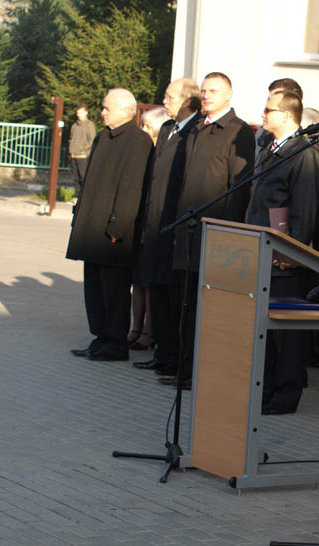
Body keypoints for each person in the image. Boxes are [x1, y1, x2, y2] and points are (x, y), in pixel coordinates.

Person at [167, 72, 255, 387]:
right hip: (187, 231)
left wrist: (226, 233)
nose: (206, 96)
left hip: (215, 235)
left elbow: (238, 188)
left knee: (207, 310)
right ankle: (184, 368)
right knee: (185, 304)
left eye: (213, 91)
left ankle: (202, 373)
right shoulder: (196, 129)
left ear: (229, 95)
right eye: (204, 91)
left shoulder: (238, 131)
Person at [246, 90, 319, 414]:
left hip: (285, 260)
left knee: (286, 334)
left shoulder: (303, 152)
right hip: (263, 250)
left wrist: (291, 253)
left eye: (268, 110)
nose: (263, 114)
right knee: (267, 331)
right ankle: (266, 389)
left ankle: (284, 394)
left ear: (286, 115)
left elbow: (305, 210)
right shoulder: (272, 149)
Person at [67, 89, 153, 361]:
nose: (102, 112)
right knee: (94, 288)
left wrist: (117, 226)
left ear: (126, 111)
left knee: (114, 290)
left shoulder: (138, 141)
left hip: (114, 232)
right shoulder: (103, 137)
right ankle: (100, 337)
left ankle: (116, 343)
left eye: (107, 108)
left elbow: (131, 188)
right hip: (93, 226)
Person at [132, 78, 201, 378]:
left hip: (175, 225)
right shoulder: (166, 129)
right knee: (156, 290)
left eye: (170, 96)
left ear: (187, 101)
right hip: (155, 223)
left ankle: (173, 355)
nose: (165, 101)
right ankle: (161, 353)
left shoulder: (195, 132)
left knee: (172, 295)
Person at [127, 107, 171, 351]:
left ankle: (148, 332)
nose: (144, 131)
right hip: (141, 223)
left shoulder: (163, 154)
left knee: (149, 282)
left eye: (148, 127)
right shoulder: (145, 154)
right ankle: (135, 328)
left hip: (155, 227)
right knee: (138, 282)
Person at [255, 78, 303, 162]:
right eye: (269, 98)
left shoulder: (306, 150)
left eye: (268, 110)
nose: (262, 115)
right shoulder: (262, 134)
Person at [68, 104, 96, 205]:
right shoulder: (74, 125)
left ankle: (85, 198)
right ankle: (77, 197)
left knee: (83, 177)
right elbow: (71, 138)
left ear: (86, 113)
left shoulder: (89, 125)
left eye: (81, 112)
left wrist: (84, 149)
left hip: (83, 155)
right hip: (73, 154)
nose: (79, 115)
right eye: (78, 113)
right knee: (75, 178)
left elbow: (92, 140)